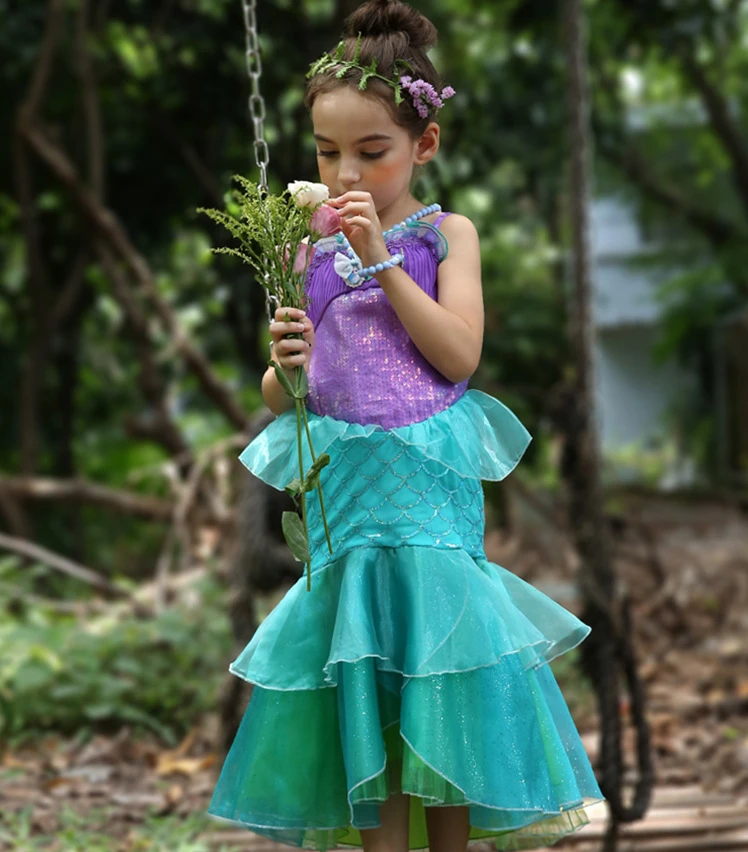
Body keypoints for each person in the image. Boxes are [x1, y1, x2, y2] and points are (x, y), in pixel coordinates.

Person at [209, 1, 603, 849]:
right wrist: (285, 359)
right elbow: (285, 396)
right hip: (347, 500)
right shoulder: (304, 249)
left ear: (423, 145)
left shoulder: (444, 234)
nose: (345, 172)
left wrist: (383, 262)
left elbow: (458, 355)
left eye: (371, 151)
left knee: (439, 680)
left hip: (426, 500)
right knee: (368, 694)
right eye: (326, 152)